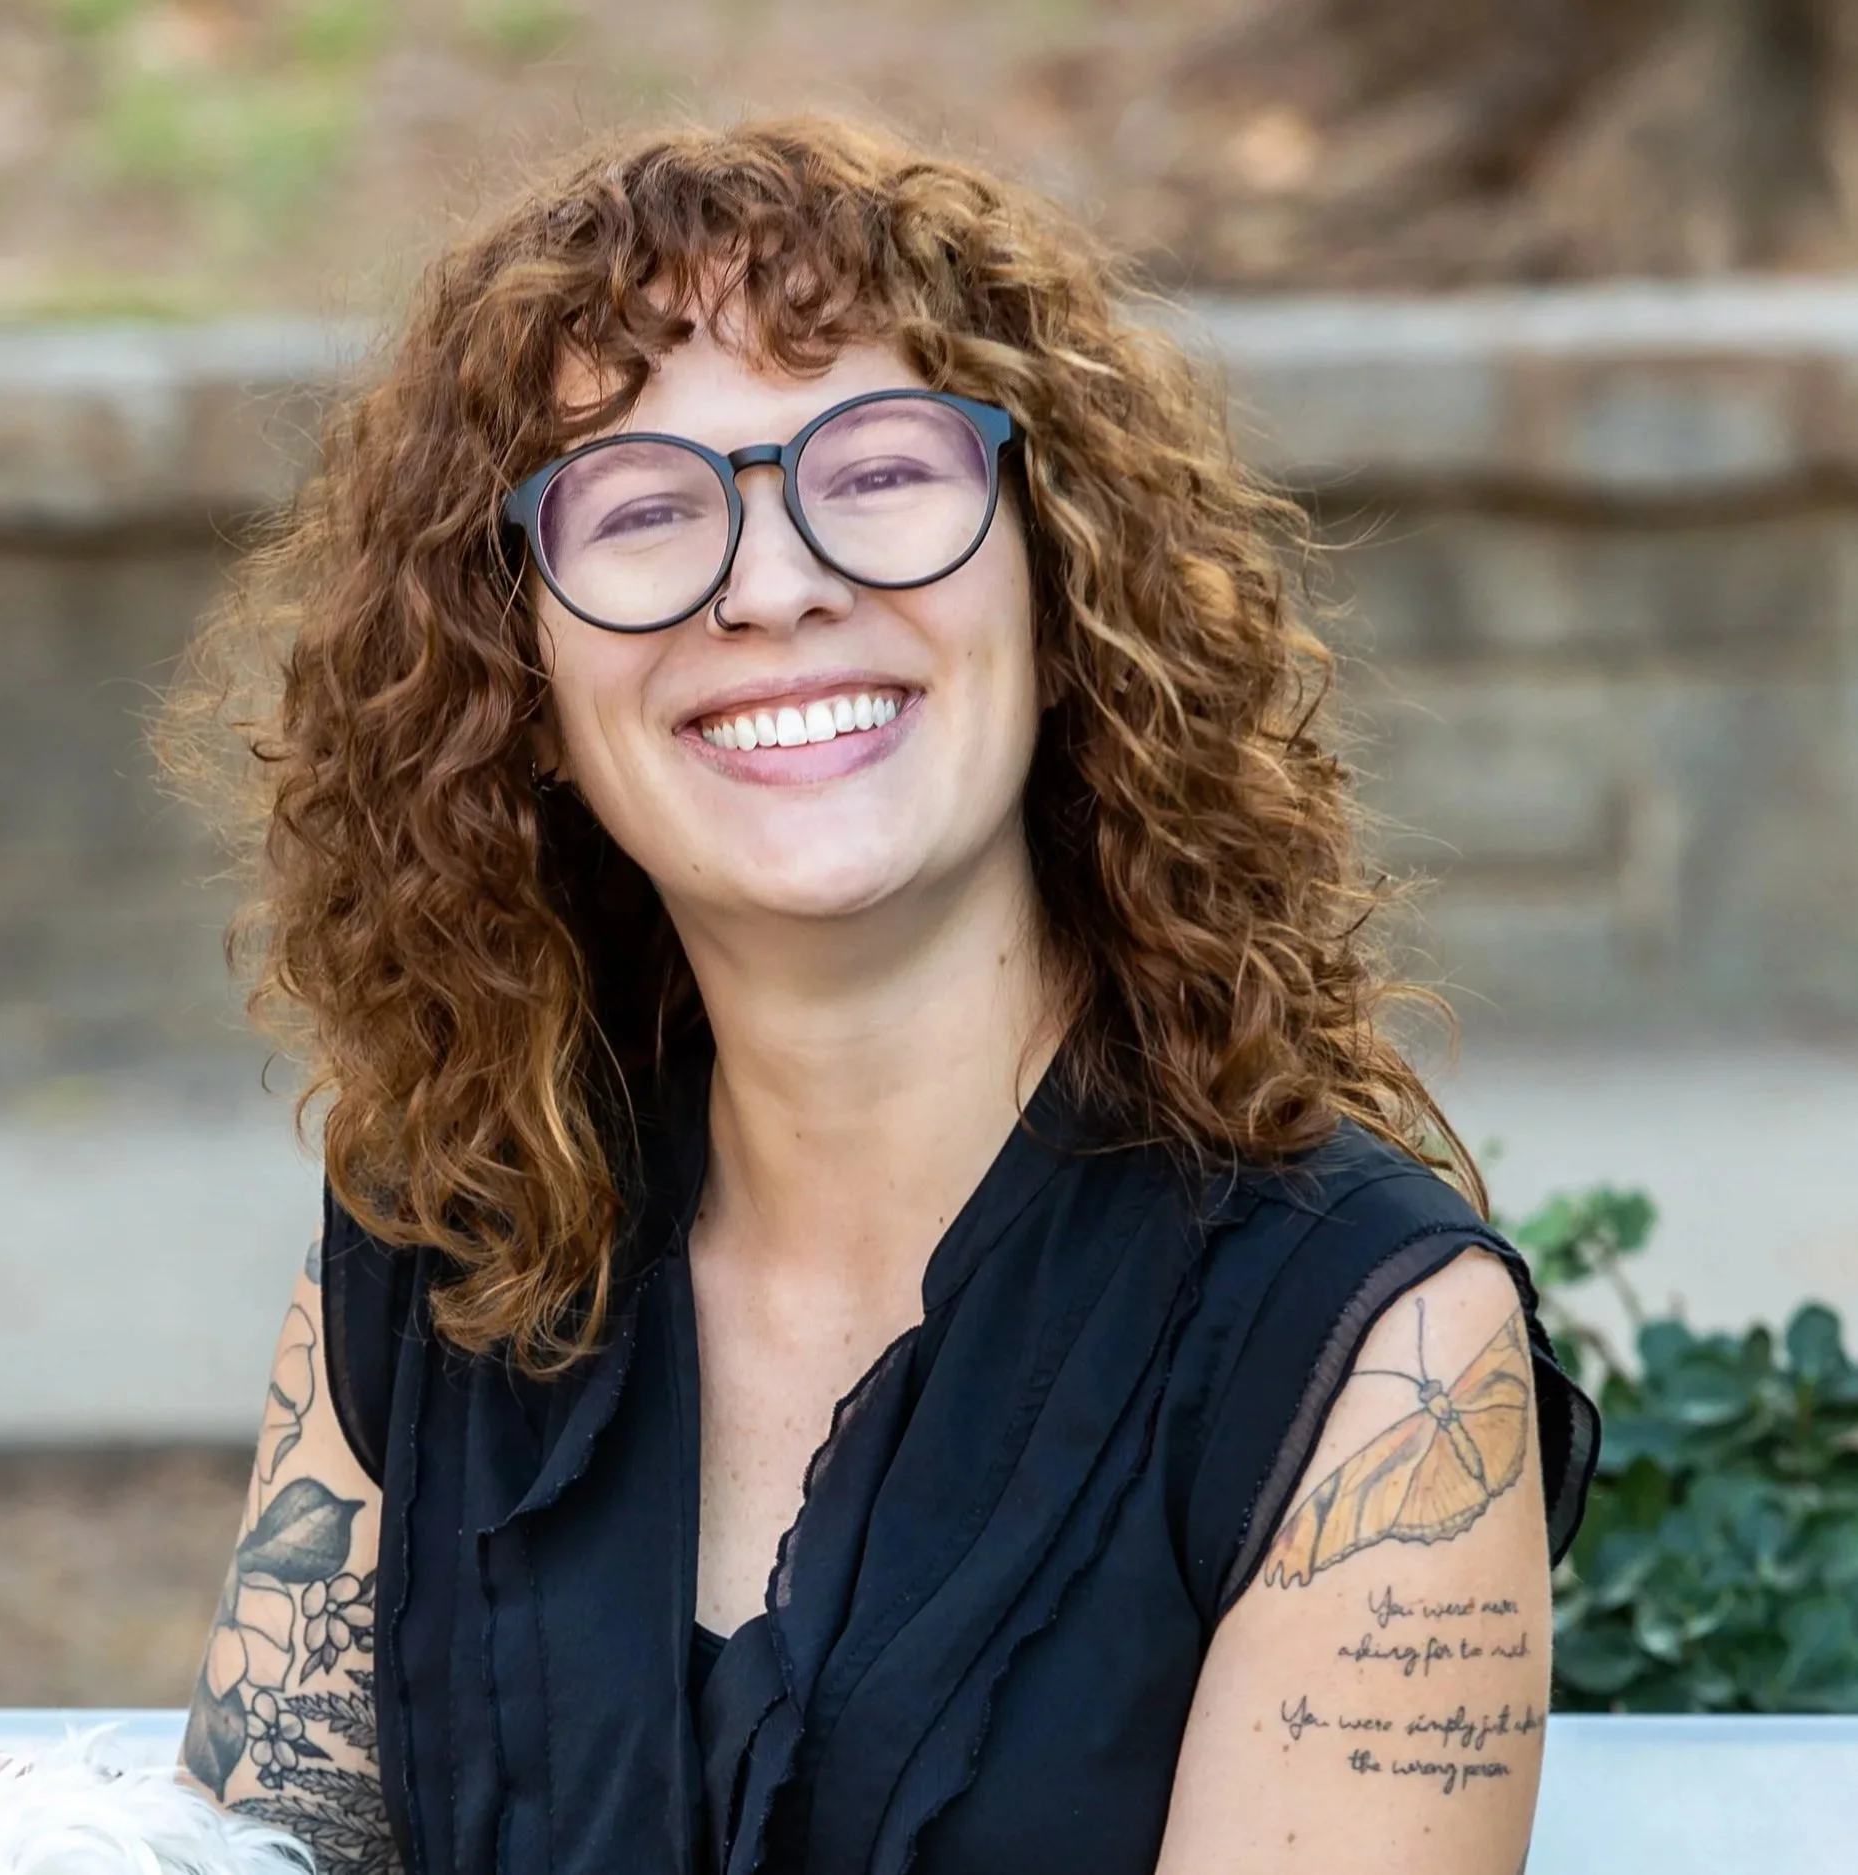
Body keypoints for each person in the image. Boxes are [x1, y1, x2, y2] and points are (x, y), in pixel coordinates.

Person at [168, 115, 1597, 1875]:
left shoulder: (1370, 1348)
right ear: (510, 679)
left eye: (879, 473)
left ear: (1062, 587)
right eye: (642, 509)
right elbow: (251, 1848)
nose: (775, 586)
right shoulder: (446, 1229)